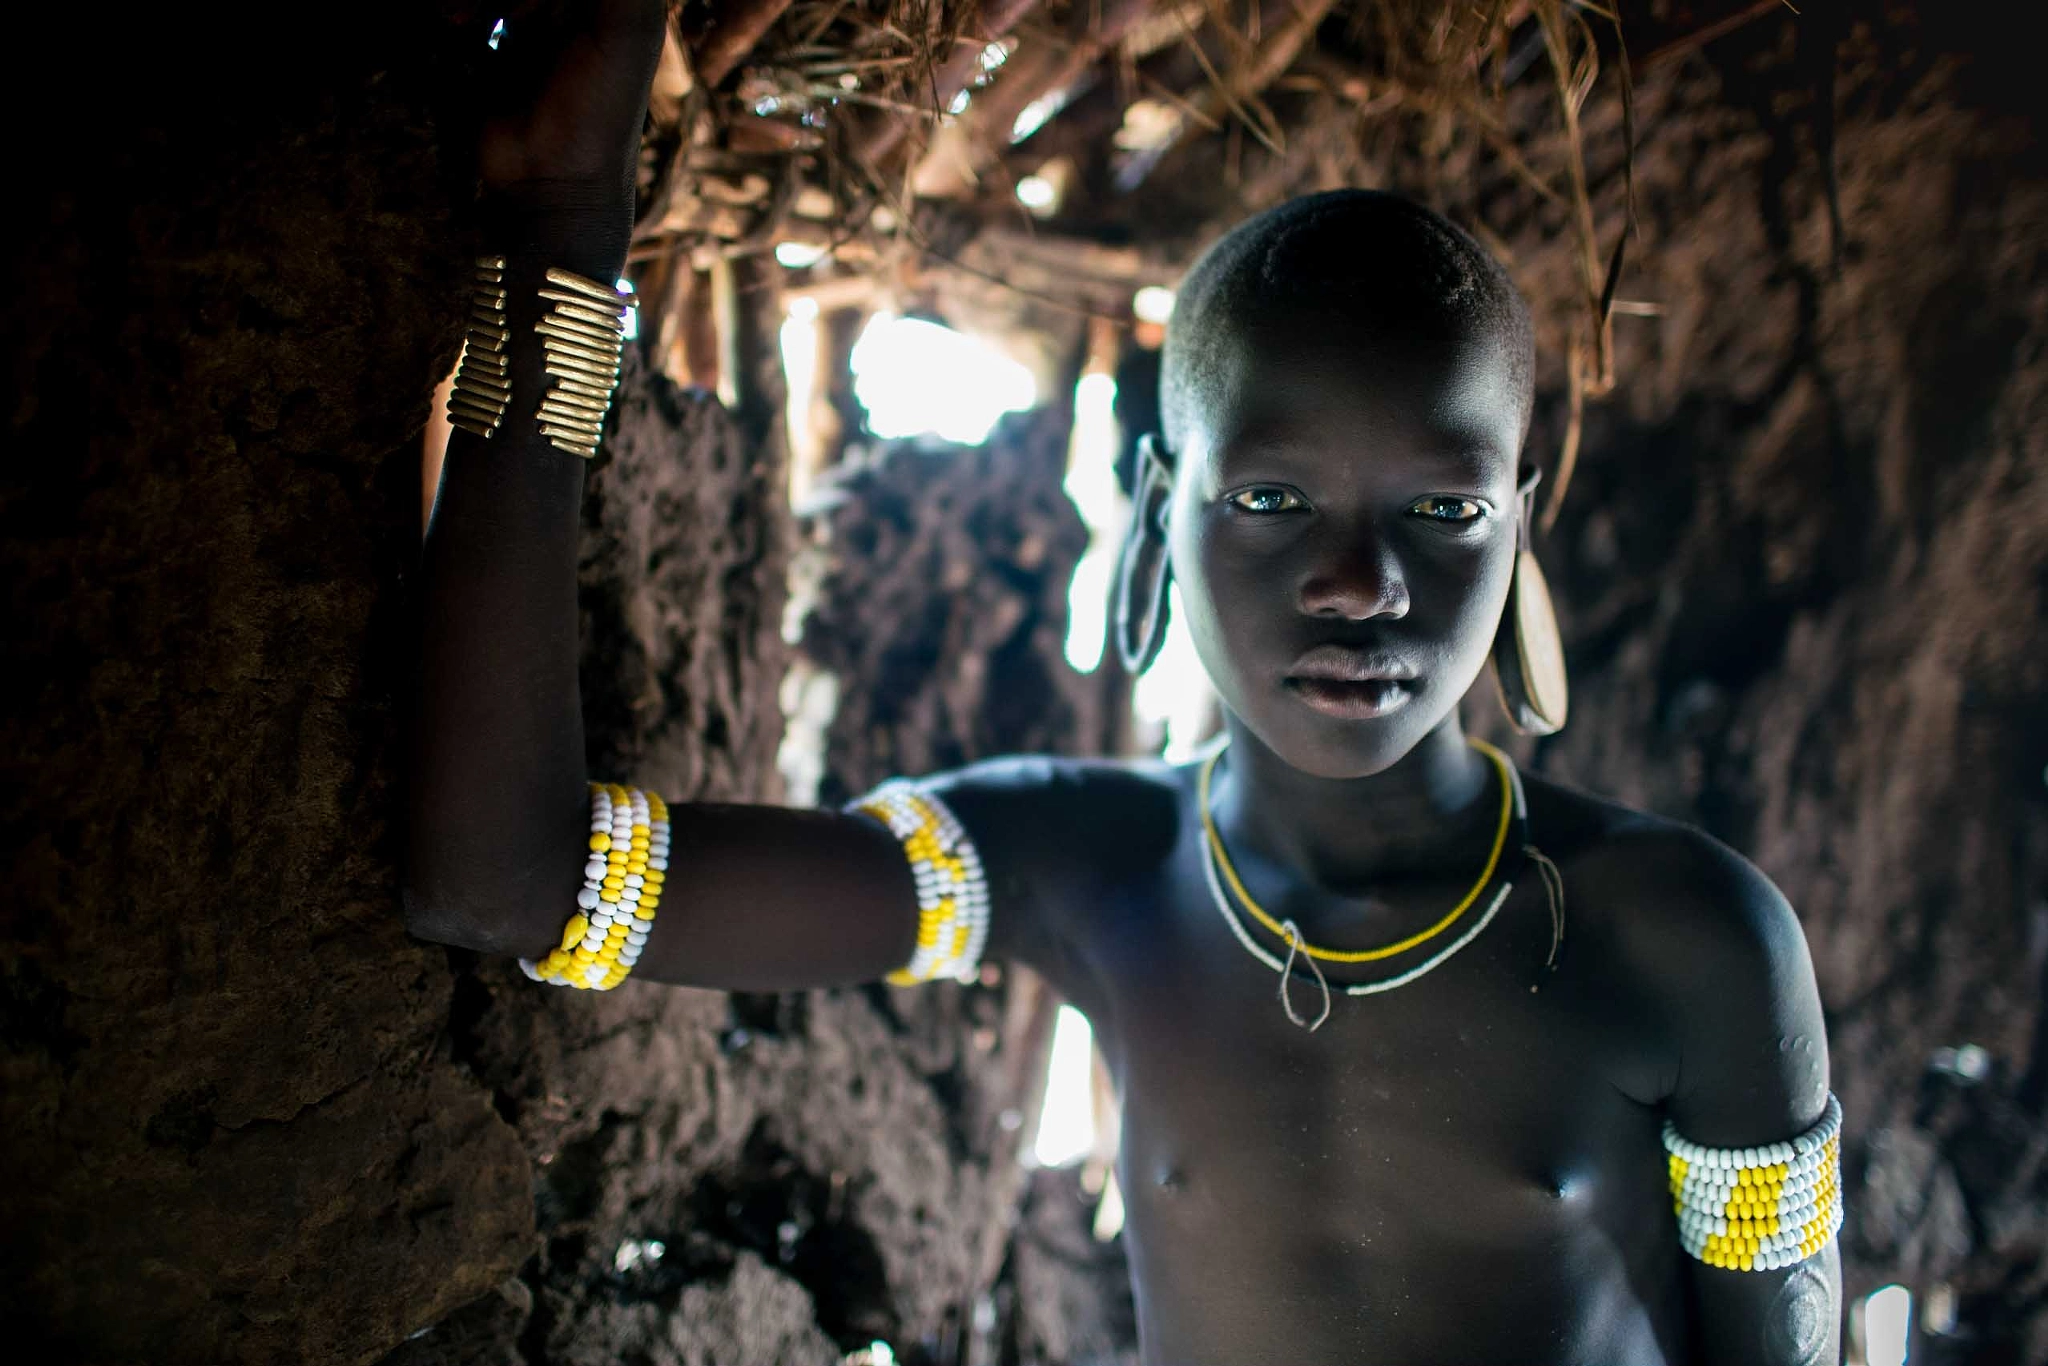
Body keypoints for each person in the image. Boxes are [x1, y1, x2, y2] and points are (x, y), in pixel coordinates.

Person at [406, 2, 1844, 1361]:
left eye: (1444, 509)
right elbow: (514, 882)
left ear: (1520, 514)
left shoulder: (1695, 943)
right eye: (1275, 501)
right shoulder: (1081, 870)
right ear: (1162, 509)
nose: (1362, 584)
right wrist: (555, 232)